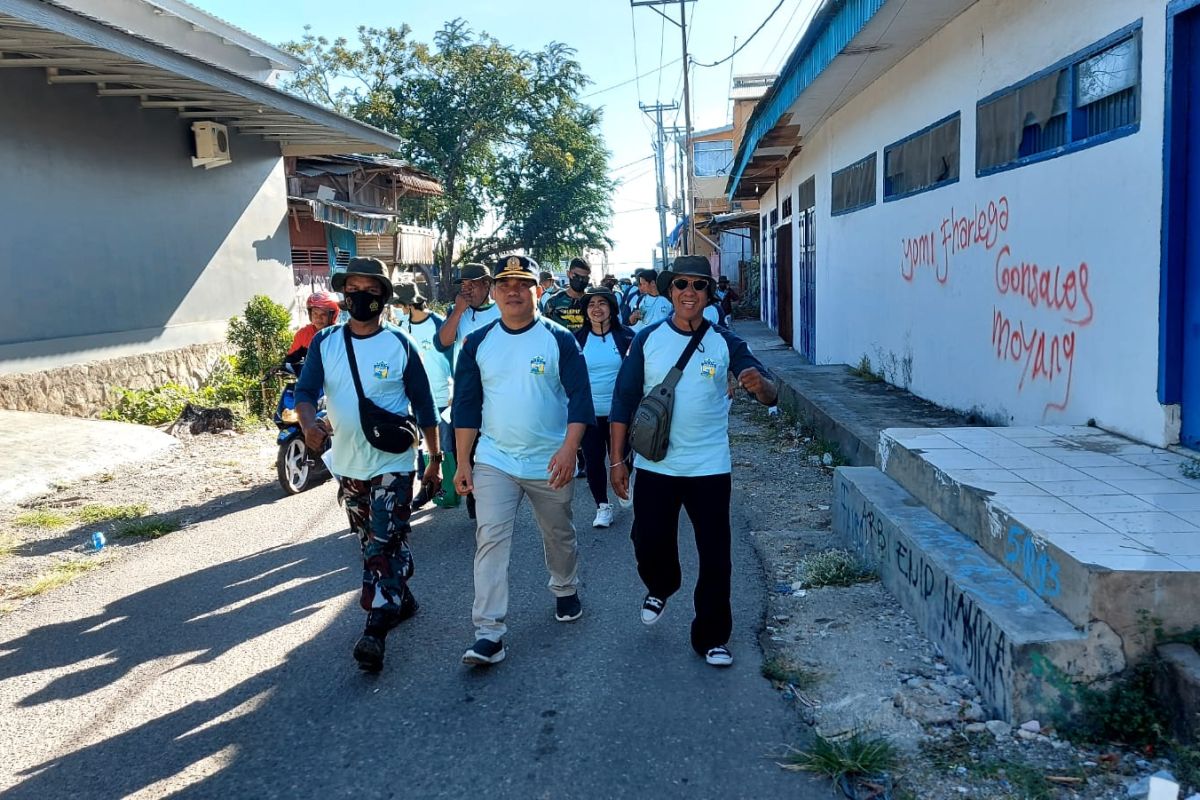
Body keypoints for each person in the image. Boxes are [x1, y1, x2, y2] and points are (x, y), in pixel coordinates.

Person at [609, 255, 778, 668]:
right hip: (656, 466)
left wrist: (760, 386)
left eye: (698, 285)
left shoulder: (725, 342)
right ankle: (662, 584)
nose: (690, 291)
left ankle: (712, 636)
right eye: (681, 284)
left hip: (709, 468)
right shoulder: (647, 339)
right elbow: (624, 400)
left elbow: (769, 392)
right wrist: (617, 461)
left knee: (716, 555)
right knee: (647, 542)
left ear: (708, 293)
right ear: (670, 291)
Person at [295, 257, 442, 672]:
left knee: (382, 540)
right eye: (353, 290)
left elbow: (426, 407)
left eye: (370, 291)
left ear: (382, 297)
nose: (360, 297)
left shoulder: (399, 345)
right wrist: (308, 424)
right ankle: (402, 597)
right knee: (370, 541)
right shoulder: (325, 343)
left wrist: (435, 460)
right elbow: (305, 392)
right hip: (347, 463)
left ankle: (375, 627)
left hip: (394, 459)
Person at [452, 255, 595, 666]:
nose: (513, 290)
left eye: (522, 283)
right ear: (494, 292)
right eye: (504, 284)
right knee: (490, 539)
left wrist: (569, 450)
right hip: (495, 459)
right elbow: (466, 405)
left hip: (550, 462)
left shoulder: (559, 339)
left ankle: (565, 587)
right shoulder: (477, 343)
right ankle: (489, 632)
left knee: (559, 534)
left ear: (537, 290)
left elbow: (580, 400)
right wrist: (464, 462)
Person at [436, 263, 500, 520]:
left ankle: (493, 497)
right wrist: (458, 312)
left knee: (493, 446)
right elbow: (442, 343)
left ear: (487, 284)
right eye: (463, 285)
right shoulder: (456, 312)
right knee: (467, 450)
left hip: (496, 390)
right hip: (466, 393)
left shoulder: (500, 311)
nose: (467, 290)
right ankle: (475, 499)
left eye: (472, 284)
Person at [574, 286, 635, 529]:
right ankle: (602, 506)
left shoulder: (628, 337)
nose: (596, 308)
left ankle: (623, 485)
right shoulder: (576, 339)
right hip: (590, 414)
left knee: (622, 457)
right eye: (591, 304)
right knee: (593, 460)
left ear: (612, 308)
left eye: (602, 303)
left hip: (621, 414)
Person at [392, 281, 454, 510]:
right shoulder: (401, 326)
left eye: (398, 305)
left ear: (409, 304)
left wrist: (454, 390)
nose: (396, 309)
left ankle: (450, 486)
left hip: (441, 397)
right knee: (418, 446)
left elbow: (453, 359)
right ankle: (424, 487)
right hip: (414, 398)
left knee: (444, 447)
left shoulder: (439, 324)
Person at [287, 291, 340, 362]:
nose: (318, 318)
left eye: (323, 314)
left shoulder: (340, 334)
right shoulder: (303, 334)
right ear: (310, 314)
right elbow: (290, 360)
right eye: (315, 313)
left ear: (332, 316)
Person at [542, 256, 591, 330]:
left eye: (584, 278)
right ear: (568, 274)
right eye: (576, 276)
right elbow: (545, 330)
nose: (580, 280)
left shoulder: (592, 303)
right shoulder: (553, 303)